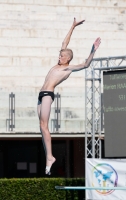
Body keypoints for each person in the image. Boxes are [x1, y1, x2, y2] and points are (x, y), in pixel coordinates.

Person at [37, 18, 101, 175]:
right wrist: (72, 26)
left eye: (61, 56)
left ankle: (50, 157)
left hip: (47, 95)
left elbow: (85, 64)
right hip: (40, 95)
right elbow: (64, 43)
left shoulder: (68, 68)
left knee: (44, 126)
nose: (59, 57)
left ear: (67, 58)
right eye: (59, 55)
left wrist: (93, 50)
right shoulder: (58, 64)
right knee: (41, 126)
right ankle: (49, 156)